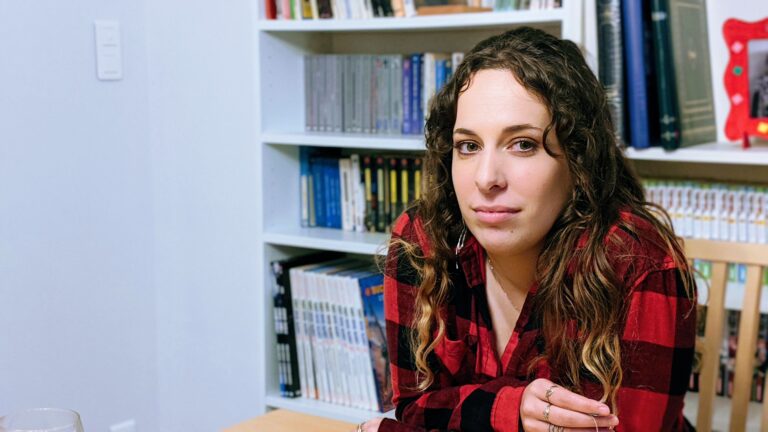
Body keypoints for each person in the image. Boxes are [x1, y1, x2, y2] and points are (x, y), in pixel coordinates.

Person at [357, 27, 697, 432]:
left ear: (579, 159)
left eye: (523, 144)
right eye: (468, 146)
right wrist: (512, 410)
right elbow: (416, 410)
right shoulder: (422, 241)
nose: (486, 178)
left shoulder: (639, 264)